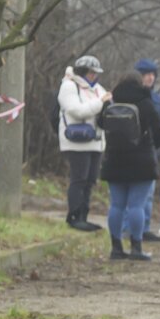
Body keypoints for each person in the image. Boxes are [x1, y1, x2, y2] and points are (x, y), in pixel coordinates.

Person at [102, 63, 160, 260]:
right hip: (141, 161)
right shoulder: (146, 102)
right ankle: (136, 248)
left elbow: (100, 123)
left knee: (116, 205)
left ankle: (116, 248)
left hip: (114, 159)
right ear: (140, 83)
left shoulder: (111, 101)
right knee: (136, 206)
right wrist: (151, 147)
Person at [57, 56, 110, 232]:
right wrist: (100, 103)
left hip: (96, 141)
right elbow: (76, 111)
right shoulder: (69, 86)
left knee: (90, 181)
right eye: (90, 72)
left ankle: (83, 217)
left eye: (96, 73)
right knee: (79, 179)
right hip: (76, 141)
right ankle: (73, 216)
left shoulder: (98, 89)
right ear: (81, 72)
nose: (94, 76)